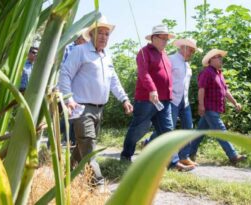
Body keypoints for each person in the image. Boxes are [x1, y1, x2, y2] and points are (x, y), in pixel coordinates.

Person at [58, 16, 133, 185]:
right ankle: (97, 184)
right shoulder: (80, 51)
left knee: (83, 146)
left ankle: (67, 174)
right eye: (100, 32)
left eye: (107, 34)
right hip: (81, 108)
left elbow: (114, 80)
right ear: (91, 34)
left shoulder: (107, 56)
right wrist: (68, 98)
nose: (104, 37)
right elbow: (65, 74)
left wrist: (124, 99)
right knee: (89, 146)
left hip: (100, 109)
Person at [144, 38, 202, 170]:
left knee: (188, 128)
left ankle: (183, 156)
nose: (191, 53)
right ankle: (151, 144)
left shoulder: (187, 65)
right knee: (167, 128)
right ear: (182, 48)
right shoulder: (170, 59)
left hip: (184, 101)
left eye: (193, 51)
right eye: (190, 50)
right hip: (172, 99)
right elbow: (161, 76)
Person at [120, 24, 175, 162]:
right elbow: (143, 73)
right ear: (154, 38)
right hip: (147, 99)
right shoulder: (144, 52)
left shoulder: (165, 54)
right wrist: (152, 89)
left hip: (164, 100)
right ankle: (126, 155)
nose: (165, 41)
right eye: (163, 38)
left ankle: (172, 162)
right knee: (139, 129)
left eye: (167, 39)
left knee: (167, 130)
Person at [193, 49, 247, 164]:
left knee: (199, 134)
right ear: (211, 60)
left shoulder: (219, 73)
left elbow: (225, 91)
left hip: (216, 109)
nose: (220, 59)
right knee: (221, 131)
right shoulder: (207, 72)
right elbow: (201, 89)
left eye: (220, 57)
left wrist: (235, 102)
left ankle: (189, 154)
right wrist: (201, 105)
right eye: (218, 57)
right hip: (209, 108)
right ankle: (233, 156)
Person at [59, 27, 90, 146]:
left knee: (77, 114)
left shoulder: (86, 50)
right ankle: (54, 140)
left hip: (80, 87)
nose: (87, 41)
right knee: (68, 114)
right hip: (67, 87)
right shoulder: (68, 49)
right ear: (79, 38)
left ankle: (71, 141)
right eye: (85, 38)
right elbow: (62, 69)